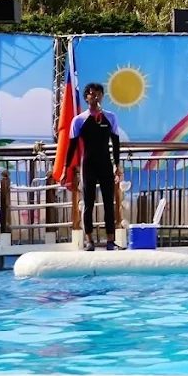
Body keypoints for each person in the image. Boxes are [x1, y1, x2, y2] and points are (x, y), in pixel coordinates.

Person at [64, 82, 123, 251]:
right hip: (88, 165)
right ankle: (89, 240)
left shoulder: (110, 117)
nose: (95, 96)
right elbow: (72, 147)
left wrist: (117, 165)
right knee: (88, 203)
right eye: (91, 93)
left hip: (105, 165)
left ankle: (110, 240)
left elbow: (116, 143)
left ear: (102, 96)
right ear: (86, 97)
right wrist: (66, 168)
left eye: (98, 93)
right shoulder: (79, 120)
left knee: (108, 203)